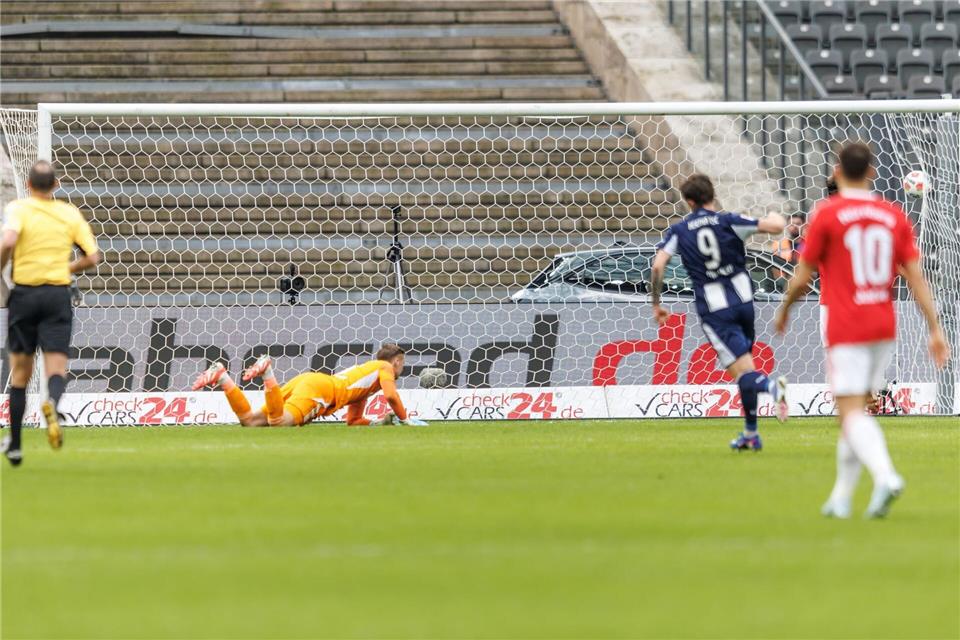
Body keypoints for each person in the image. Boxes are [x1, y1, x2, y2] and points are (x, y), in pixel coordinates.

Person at [775, 142, 950, 519]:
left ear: (838, 172)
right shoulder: (892, 215)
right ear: (872, 171)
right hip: (883, 322)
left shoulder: (827, 214)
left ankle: (885, 475)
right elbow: (915, 276)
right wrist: (934, 327)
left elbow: (803, 275)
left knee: (850, 410)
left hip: (845, 322)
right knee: (855, 412)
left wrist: (785, 309)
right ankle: (841, 498)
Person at [650, 174, 789, 451]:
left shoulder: (680, 230)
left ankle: (773, 389)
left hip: (716, 311)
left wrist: (656, 303)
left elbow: (658, 265)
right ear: (712, 194)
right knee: (745, 369)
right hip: (745, 303)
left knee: (743, 372)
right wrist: (776, 214)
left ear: (689, 201)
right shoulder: (729, 221)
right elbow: (776, 226)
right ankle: (751, 434)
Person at [0, 161, 101, 466]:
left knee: (20, 374)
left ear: (29, 185)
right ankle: (52, 404)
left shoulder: (19, 209)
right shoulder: (68, 213)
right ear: (55, 185)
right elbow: (93, 257)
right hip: (57, 295)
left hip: (26, 295)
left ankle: (15, 445)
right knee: (56, 368)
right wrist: (65, 268)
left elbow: (8, 241)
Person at [192, 344, 427, 427]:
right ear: (396, 361)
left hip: (309, 380)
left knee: (250, 421)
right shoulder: (384, 368)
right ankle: (268, 372)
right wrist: (405, 419)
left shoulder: (366, 379)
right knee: (279, 423)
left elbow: (353, 421)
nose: (401, 368)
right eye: (401, 364)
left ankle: (222, 376)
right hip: (320, 390)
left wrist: (380, 422)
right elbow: (392, 397)